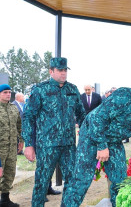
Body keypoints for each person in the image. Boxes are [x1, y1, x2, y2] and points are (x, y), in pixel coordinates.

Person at [22, 57, 86, 207]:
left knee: (72, 180)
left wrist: (88, 136)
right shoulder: (40, 90)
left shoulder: (72, 89)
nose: (63, 73)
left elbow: (82, 115)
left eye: (65, 70)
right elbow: (28, 117)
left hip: (68, 145)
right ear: (51, 71)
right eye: (60, 70)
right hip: (47, 146)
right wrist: (29, 144)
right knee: (42, 182)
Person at [0, 84, 23, 207]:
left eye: (9, 92)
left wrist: (22, 140)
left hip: (11, 148)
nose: (8, 94)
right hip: (0, 149)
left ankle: (5, 200)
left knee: (9, 173)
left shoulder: (14, 108)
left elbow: (19, 126)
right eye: (4, 92)